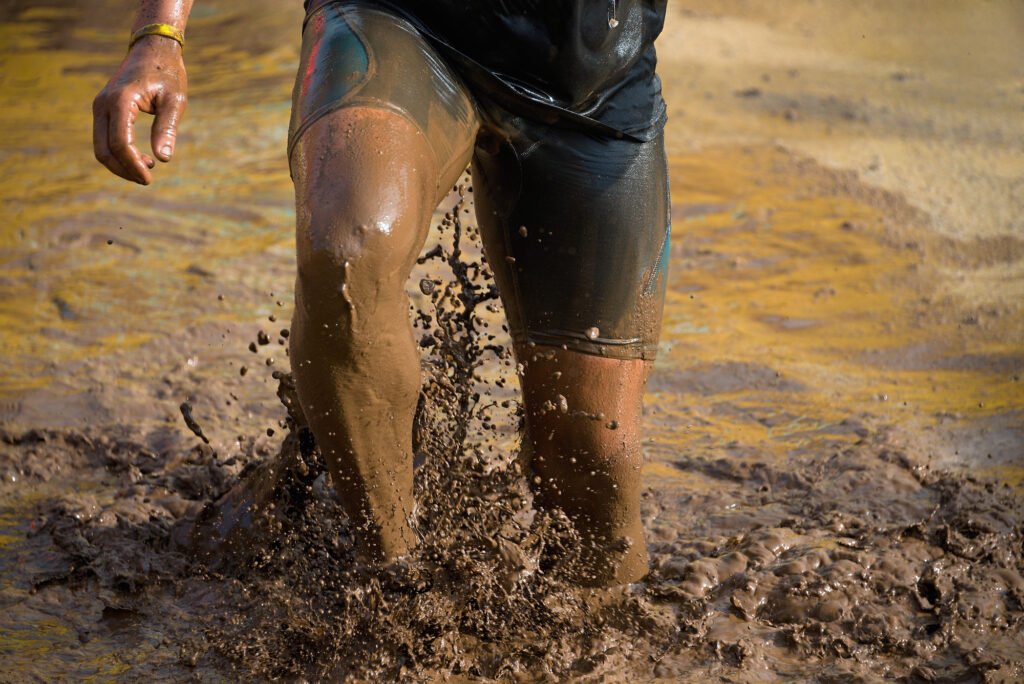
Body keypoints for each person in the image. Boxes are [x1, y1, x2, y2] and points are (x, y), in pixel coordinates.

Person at [93, 0, 670, 586]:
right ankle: (392, 589)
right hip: (399, 19)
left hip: (594, 79)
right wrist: (158, 35)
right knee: (348, 255)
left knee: (597, 473)